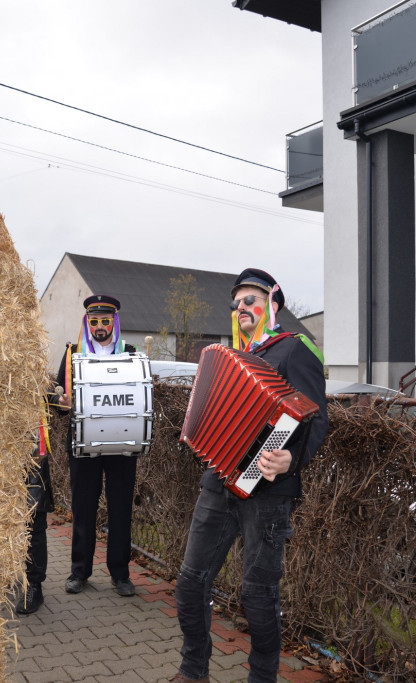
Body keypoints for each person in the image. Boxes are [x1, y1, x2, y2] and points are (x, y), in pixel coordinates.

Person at [170, 268, 329, 683]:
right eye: (236, 302)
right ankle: (193, 671)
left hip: (269, 492)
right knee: (190, 583)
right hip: (219, 481)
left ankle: (262, 678)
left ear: (271, 305)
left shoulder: (295, 350)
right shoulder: (230, 356)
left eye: (250, 300)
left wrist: (290, 461)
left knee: (257, 596)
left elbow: (318, 420)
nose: (241, 308)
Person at [53, 294, 139, 598]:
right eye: (94, 321)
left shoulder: (130, 353)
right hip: (82, 441)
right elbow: (56, 395)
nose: (99, 327)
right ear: (86, 323)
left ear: (113, 322)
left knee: (120, 510)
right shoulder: (72, 352)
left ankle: (120, 574)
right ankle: (79, 571)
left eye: (105, 321)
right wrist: (60, 402)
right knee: (83, 508)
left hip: (121, 444)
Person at [14, 403, 54, 615]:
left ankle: (34, 587)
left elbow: (50, 398)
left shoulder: (30, 372)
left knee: (34, 520)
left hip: (31, 451)